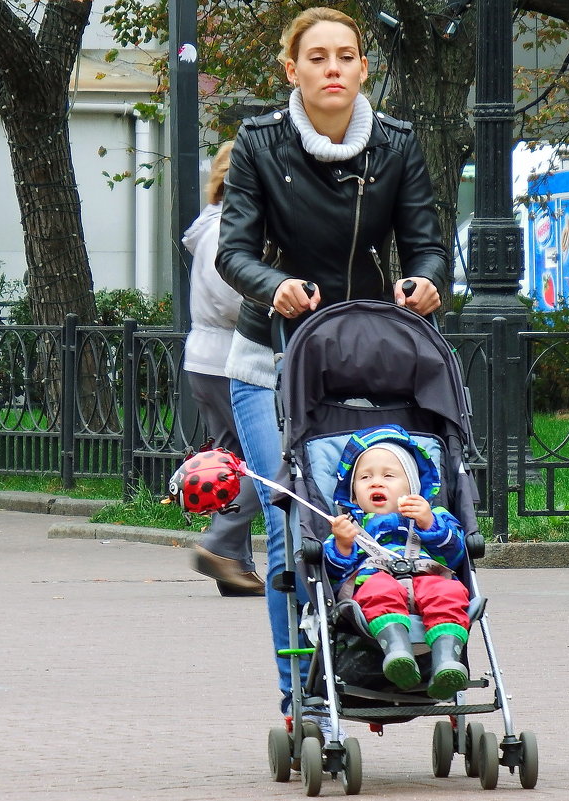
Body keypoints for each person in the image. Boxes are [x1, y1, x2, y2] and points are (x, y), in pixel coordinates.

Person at [215, 6, 448, 715]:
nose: (332, 68)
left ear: (362, 68)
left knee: (370, 520)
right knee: (294, 531)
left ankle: (374, 658)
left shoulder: (396, 145)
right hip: (272, 355)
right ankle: (303, 697)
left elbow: (427, 242)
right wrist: (272, 284)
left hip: (365, 353)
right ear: (292, 70)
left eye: (345, 55)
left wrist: (426, 280)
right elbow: (232, 252)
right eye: (316, 57)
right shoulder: (259, 142)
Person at [323, 425, 470, 700]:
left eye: (389, 476)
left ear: (413, 488)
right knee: (377, 589)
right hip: (376, 580)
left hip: (429, 577)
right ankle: (397, 652)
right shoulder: (349, 526)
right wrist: (342, 544)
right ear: (353, 494)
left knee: (450, 591)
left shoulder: (432, 515)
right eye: (365, 477)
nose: (376, 482)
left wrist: (429, 522)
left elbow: (455, 554)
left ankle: (446, 661)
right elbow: (332, 574)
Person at [182, 142, 265, 597]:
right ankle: (220, 544)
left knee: (233, 463)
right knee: (265, 462)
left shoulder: (213, 225)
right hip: (230, 358)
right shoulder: (222, 231)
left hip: (211, 358)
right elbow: (235, 297)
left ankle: (233, 564)